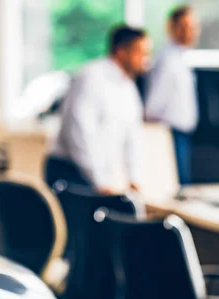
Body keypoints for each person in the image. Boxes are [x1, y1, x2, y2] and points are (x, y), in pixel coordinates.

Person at [49, 26, 151, 194]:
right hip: (70, 172)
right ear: (121, 51)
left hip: (95, 176)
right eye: (141, 52)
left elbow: (133, 138)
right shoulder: (91, 77)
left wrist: (134, 179)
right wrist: (100, 181)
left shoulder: (129, 89)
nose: (145, 59)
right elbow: (79, 132)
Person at [145, 6, 199, 186]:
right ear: (172, 27)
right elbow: (155, 101)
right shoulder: (167, 59)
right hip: (169, 133)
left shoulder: (181, 57)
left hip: (181, 133)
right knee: (176, 187)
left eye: (193, 27)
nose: (189, 32)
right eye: (184, 26)